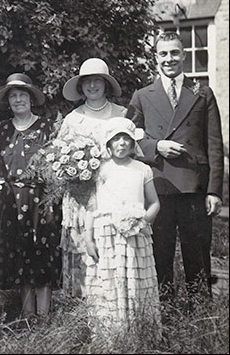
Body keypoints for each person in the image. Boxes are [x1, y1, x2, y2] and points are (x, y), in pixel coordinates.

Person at [126, 31, 224, 301]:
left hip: (194, 186)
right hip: (158, 188)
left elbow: (214, 143)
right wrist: (156, 146)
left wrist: (215, 191)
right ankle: (164, 315)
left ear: (183, 55)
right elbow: (128, 138)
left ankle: (200, 316)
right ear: (155, 57)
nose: (169, 59)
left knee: (198, 256)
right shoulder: (143, 95)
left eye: (174, 53)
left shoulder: (202, 93)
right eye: (163, 54)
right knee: (160, 256)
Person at [0, 73, 60, 317]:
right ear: (8, 102)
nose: (18, 100)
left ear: (31, 99)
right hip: (11, 200)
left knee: (41, 252)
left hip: (41, 200)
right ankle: (27, 315)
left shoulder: (47, 127)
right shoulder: (1, 130)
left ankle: (44, 314)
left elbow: (56, 166)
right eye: (13, 96)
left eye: (23, 95)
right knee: (19, 252)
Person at [84, 117, 161, 336]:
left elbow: (155, 202)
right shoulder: (99, 170)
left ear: (132, 143)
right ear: (108, 144)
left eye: (126, 139)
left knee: (135, 283)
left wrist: (143, 221)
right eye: (115, 139)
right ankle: (109, 334)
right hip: (105, 234)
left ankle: (138, 332)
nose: (121, 144)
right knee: (109, 282)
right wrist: (88, 238)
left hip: (134, 233)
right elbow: (91, 206)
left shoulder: (142, 169)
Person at [58, 57, 127, 298]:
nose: (93, 86)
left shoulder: (121, 114)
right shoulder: (73, 118)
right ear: (81, 86)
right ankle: (82, 305)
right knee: (82, 247)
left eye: (98, 81)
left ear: (106, 84)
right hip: (82, 192)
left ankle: (113, 300)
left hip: (114, 190)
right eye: (87, 81)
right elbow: (60, 158)